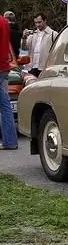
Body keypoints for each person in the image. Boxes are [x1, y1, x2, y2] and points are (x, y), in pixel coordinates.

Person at [0, 15, 18, 150]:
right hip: (4, 67)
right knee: (5, 105)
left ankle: (9, 141)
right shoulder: (4, 22)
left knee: (4, 105)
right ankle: (10, 141)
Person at [21, 12, 58, 77]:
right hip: (32, 67)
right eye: (35, 23)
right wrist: (24, 37)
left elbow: (57, 52)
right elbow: (24, 48)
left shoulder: (53, 34)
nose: (37, 25)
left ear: (45, 20)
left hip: (45, 68)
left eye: (39, 22)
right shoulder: (33, 34)